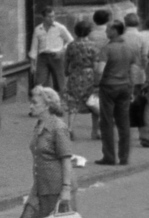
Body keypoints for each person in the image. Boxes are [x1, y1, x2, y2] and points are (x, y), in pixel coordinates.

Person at [0, 86, 88, 218]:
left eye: (35, 102)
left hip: (57, 185)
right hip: (41, 184)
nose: (31, 105)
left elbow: (66, 159)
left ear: (47, 105)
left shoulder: (58, 127)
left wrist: (66, 189)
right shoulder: (39, 125)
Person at [94, 20, 137, 166]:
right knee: (123, 122)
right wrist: (131, 86)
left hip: (108, 87)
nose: (106, 31)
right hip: (124, 86)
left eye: (108, 29)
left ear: (115, 31)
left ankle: (109, 156)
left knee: (106, 122)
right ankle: (124, 157)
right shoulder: (129, 48)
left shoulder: (107, 49)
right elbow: (133, 69)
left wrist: (95, 83)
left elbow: (100, 70)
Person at [62, 18, 100, 138]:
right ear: (88, 32)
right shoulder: (93, 46)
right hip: (89, 76)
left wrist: (66, 72)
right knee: (93, 103)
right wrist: (98, 79)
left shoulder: (71, 45)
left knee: (73, 102)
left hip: (75, 75)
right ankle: (95, 131)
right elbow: (95, 64)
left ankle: (69, 128)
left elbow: (66, 61)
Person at [28, 5, 71, 92]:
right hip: (42, 57)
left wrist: (62, 51)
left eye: (53, 16)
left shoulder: (60, 28)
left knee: (60, 83)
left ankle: (60, 103)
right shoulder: (38, 29)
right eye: (49, 17)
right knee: (40, 83)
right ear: (43, 17)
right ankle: (44, 103)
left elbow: (70, 41)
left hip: (56, 57)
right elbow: (34, 47)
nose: (52, 19)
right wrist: (32, 64)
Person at [122, 11, 149, 148]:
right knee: (140, 103)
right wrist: (144, 70)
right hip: (138, 72)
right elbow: (145, 56)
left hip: (122, 72)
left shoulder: (121, 36)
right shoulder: (141, 37)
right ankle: (142, 132)